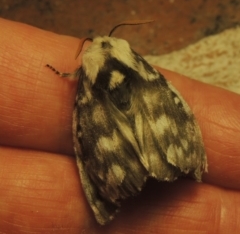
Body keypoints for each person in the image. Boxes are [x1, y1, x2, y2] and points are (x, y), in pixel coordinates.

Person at [0, 17, 240, 233]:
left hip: (97, 110)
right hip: (144, 96)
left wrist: (61, 73)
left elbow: (68, 77)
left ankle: (167, 166)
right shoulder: (137, 64)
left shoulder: (86, 76)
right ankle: (178, 158)